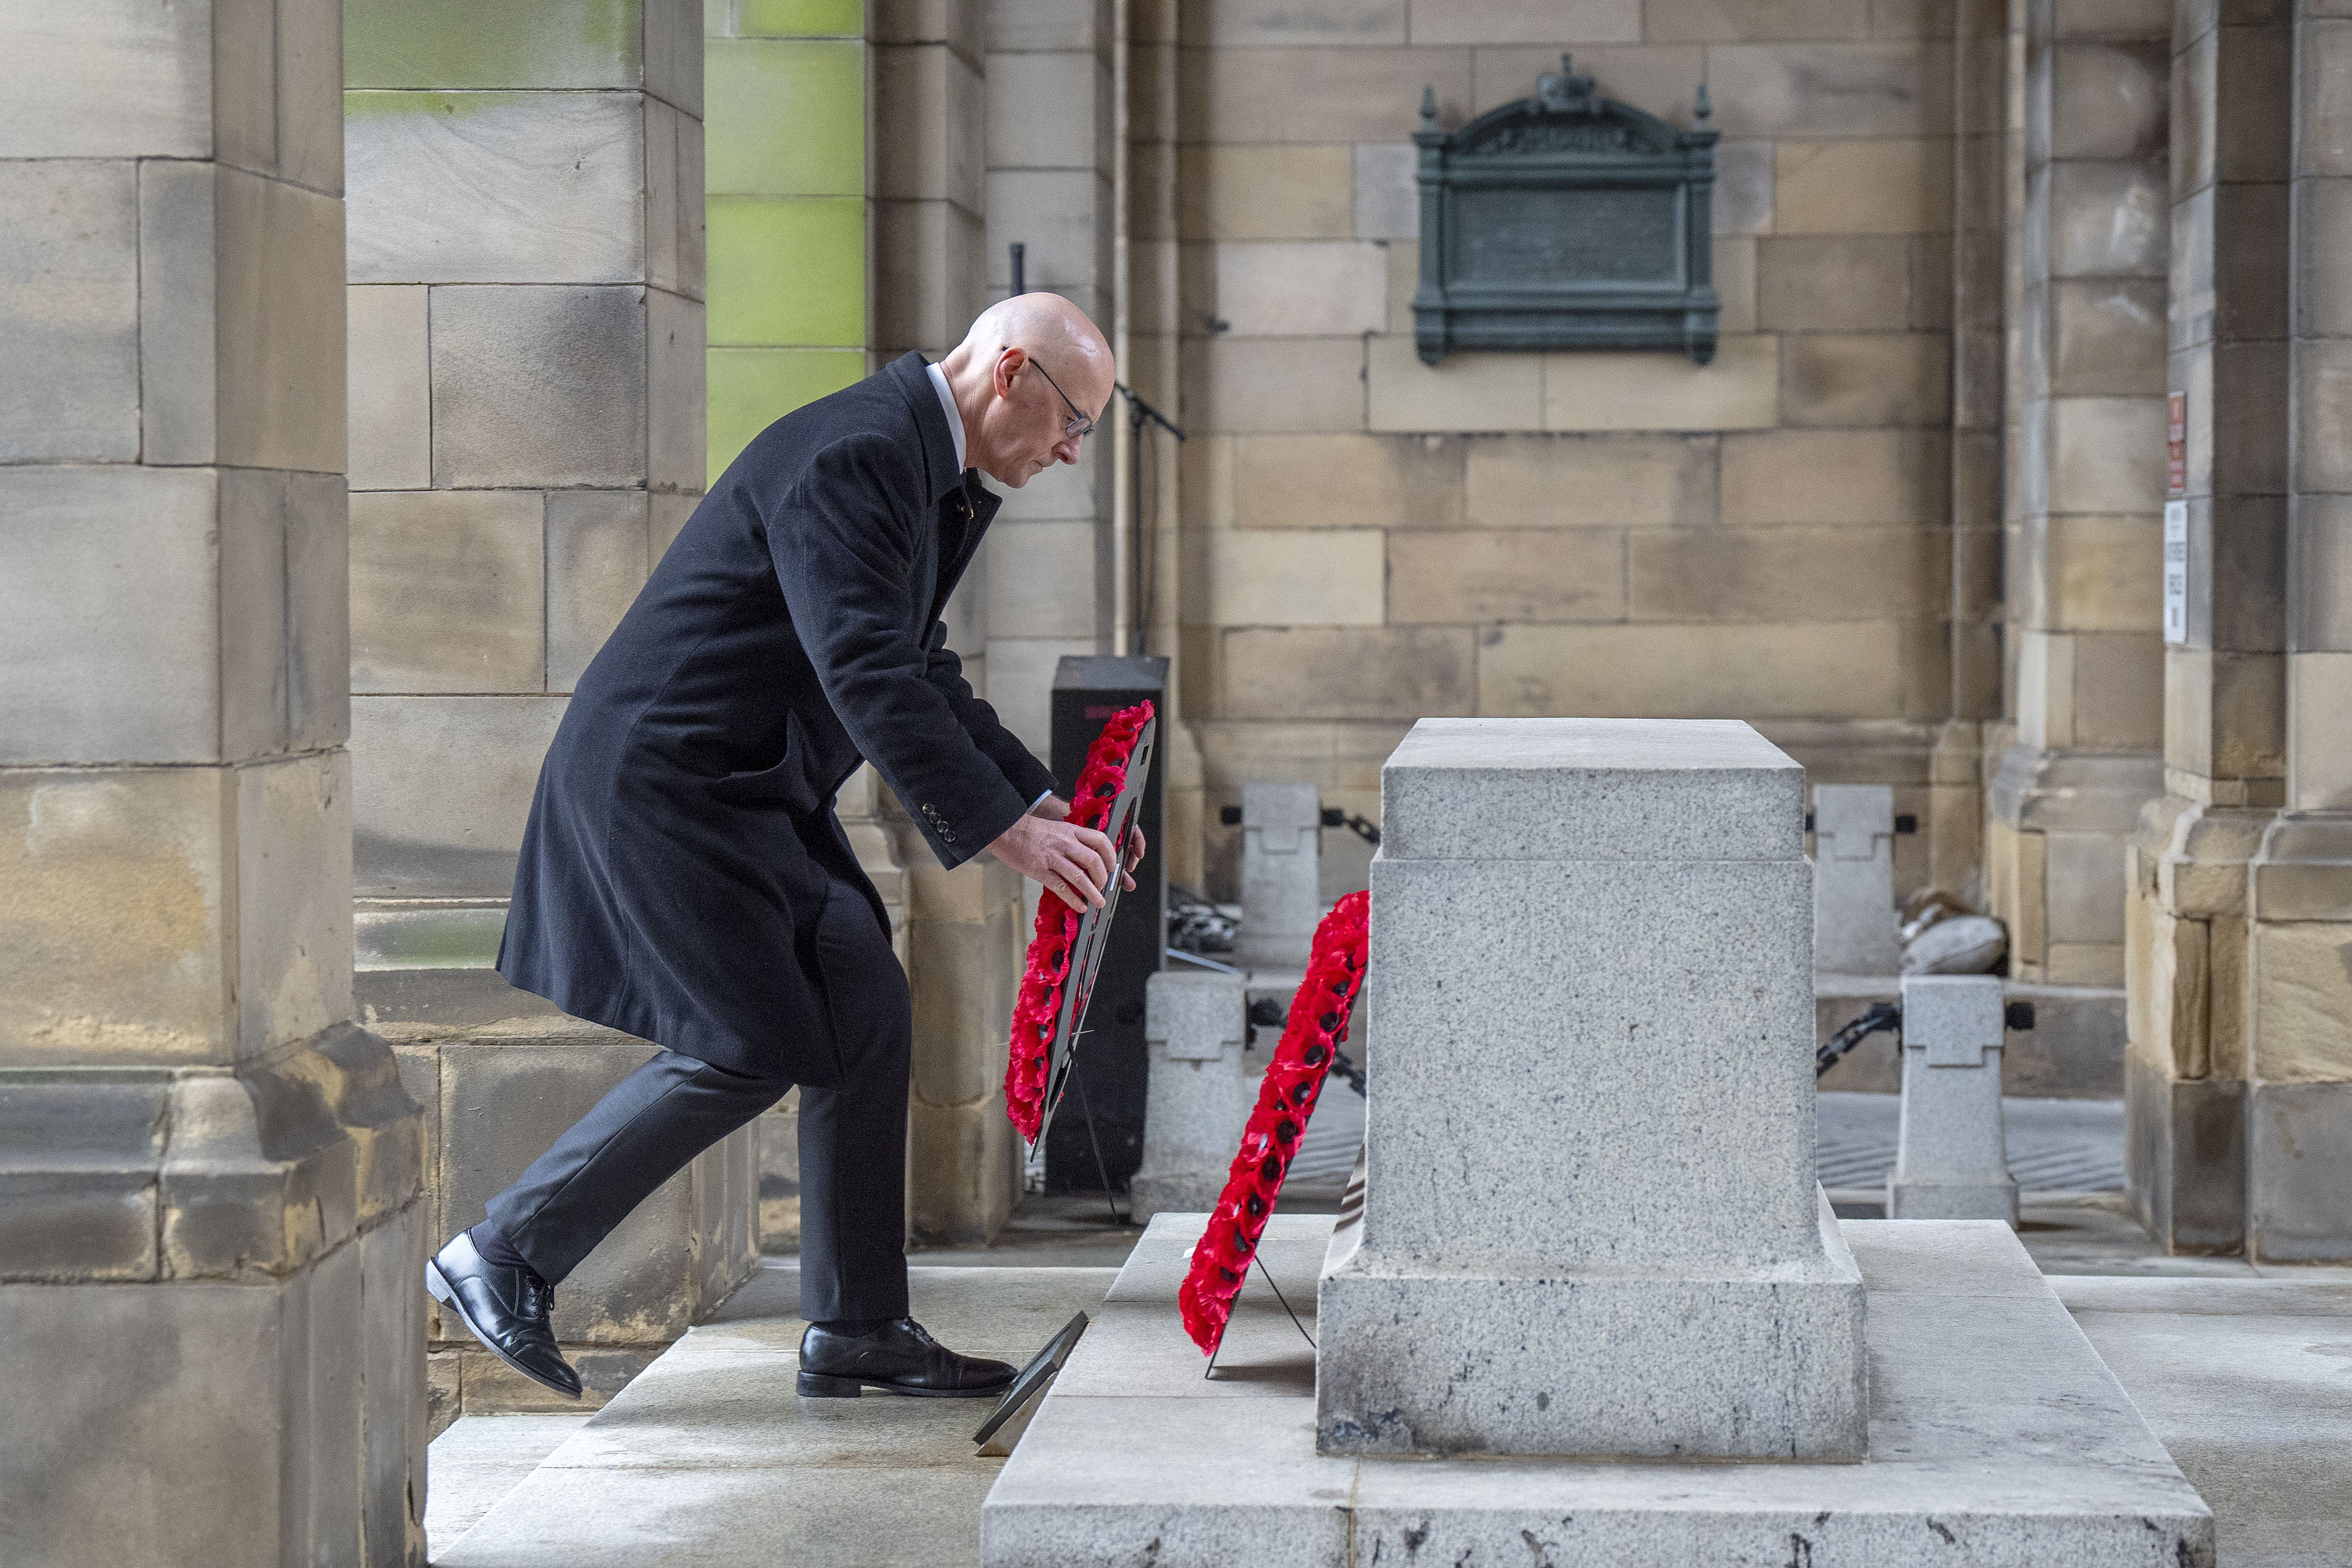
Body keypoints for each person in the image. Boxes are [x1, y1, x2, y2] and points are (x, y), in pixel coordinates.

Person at [425, 296, 1140, 1401]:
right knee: (750, 1039)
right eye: (1072, 421)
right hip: (668, 785)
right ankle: (503, 1252)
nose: (1069, 449)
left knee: (863, 1001)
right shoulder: (861, 454)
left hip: (750, 790)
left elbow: (917, 660)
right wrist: (1004, 835)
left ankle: (859, 1325)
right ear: (1011, 375)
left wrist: (1041, 804)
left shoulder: (920, 464)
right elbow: (868, 672)